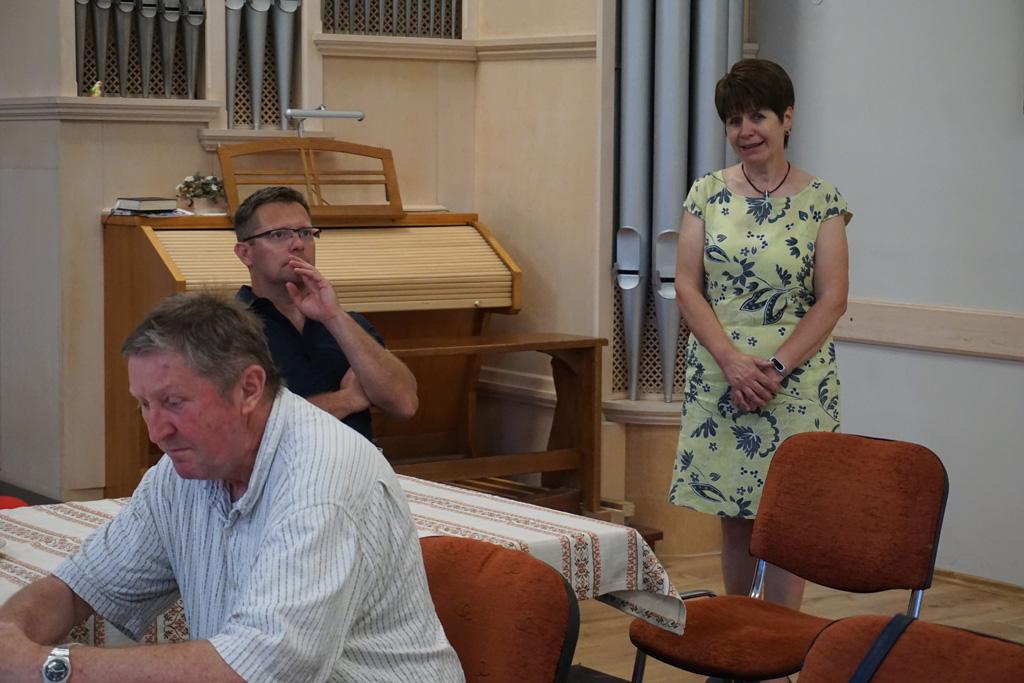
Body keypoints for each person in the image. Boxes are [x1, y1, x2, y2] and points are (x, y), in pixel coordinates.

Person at [0, 293, 464, 683]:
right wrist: (9, 632)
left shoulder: (320, 479)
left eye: (173, 402)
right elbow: (82, 586)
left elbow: (263, 667)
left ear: (248, 388)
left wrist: (51, 667)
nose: (157, 431)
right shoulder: (184, 472)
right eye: (144, 404)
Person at [668, 59, 852, 613]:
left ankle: (782, 638)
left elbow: (832, 298)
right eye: (734, 120)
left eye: (758, 116)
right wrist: (731, 361)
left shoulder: (822, 200)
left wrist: (774, 368)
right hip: (722, 374)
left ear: (787, 118)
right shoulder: (706, 193)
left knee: (789, 516)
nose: (745, 130)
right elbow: (687, 285)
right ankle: (741, 637)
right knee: (735, 516)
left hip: (795, 381)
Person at [233, 186, 418, 441]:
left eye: (305, 233)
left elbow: (404, 404)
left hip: (359, 463)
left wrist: (334, 317)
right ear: (245, 253)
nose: (298, 244)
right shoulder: (225, 329)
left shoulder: (346, 321)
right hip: (283, 466)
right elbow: (245, 428)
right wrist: (348, 399)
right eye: (279, 235)